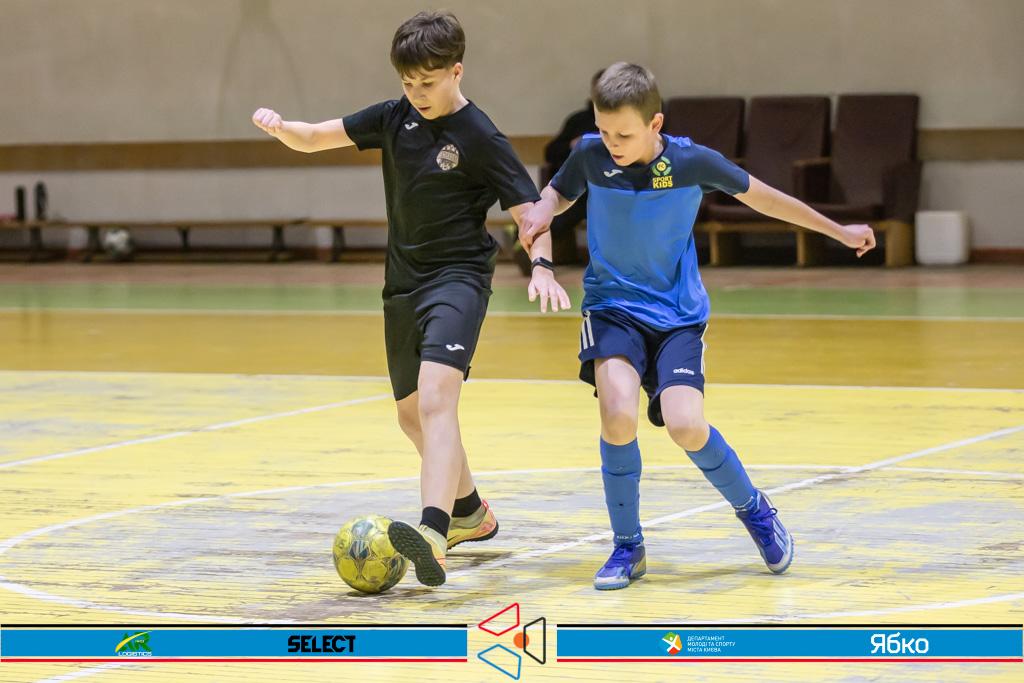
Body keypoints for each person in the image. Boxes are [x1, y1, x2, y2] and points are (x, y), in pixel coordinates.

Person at [521, 63, 875, 590]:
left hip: (677, 316)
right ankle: (628, 546)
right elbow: (557, 194)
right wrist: (541, 214)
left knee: (686, 425)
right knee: (617, 417)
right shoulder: (591, 155)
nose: (612, 143)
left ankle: (755, 510)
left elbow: (767, 198)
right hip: (612, 307)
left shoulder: (691, 162)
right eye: (604, 130)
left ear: (655, 123)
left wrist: (838, 230)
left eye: (624, 135)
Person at [252, 11, 570, 587]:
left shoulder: (480, 136)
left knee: (436, 402)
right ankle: (470, 513)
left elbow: (532, 214)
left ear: (456, 71)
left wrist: (543, 265)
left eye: (427, 82)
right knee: (410, 415)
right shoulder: (393, 117)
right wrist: (282, 128)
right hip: (402, 284)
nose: (416, 93)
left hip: (458, 280)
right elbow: (316, 137)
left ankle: (433, 532)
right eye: (407, 82)